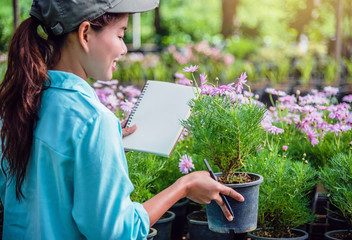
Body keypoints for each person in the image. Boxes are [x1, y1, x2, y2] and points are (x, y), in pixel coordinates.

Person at [0, 0, 244, 239]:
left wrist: (105, 145)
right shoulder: (94, 122)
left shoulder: (16, 106)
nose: (124, 48)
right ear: (85, 33)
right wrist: (184, 186)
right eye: (120, 35)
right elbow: (116, 232)